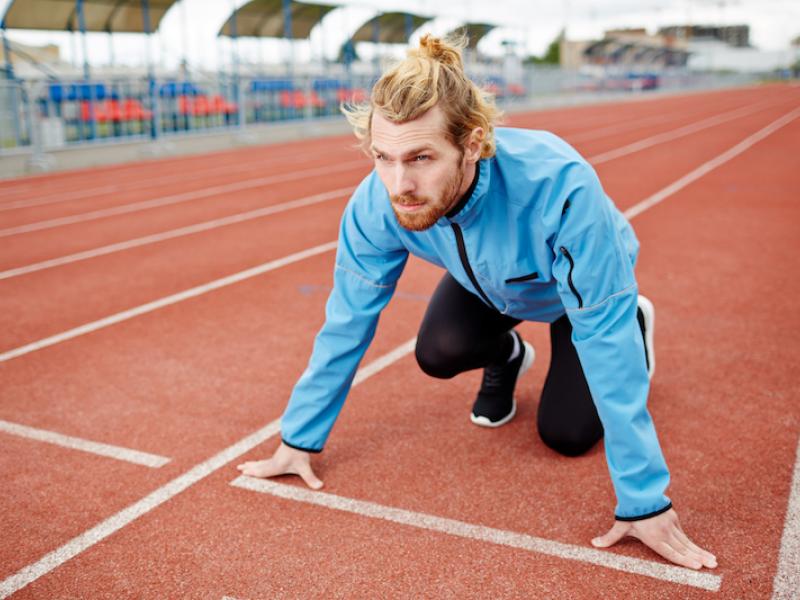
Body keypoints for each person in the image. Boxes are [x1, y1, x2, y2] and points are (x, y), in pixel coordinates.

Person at [238, 35, 717, 571]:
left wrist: (644, 501)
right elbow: (347, 320)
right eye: (383, 157)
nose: (400, 183)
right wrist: (298, 438)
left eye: (421, 157)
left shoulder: (559, 187)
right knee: (437, 353)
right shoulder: (379, 203)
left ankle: (638, 319)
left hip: (575, 295)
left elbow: (602, 338)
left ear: (473, 142)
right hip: (486, 284)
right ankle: (509, 357)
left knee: (565, 434)